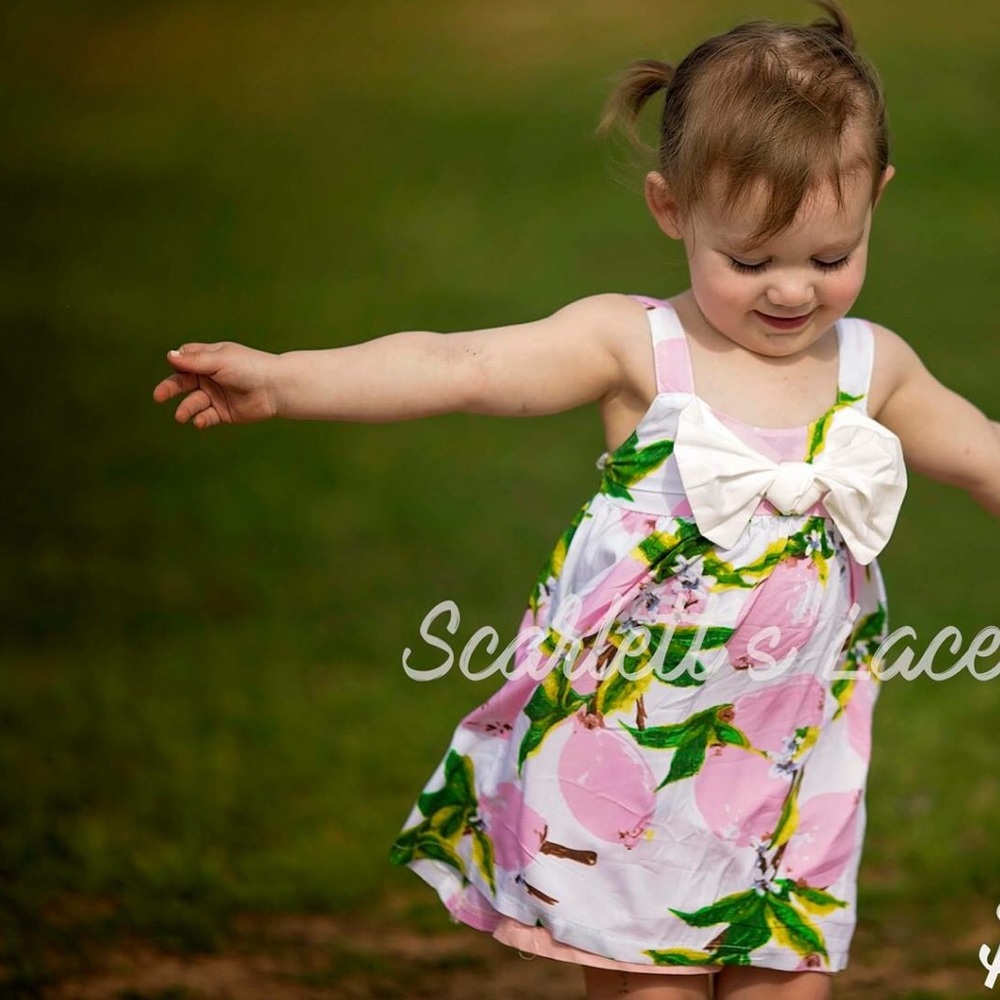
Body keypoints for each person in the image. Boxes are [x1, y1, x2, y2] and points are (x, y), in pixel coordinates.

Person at [152, 2, 999, 997]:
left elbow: (985, 456)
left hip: (791, 763)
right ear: (670, 207)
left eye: (828, 257)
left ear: (875, 201)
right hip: (631, 765)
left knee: (793, 984)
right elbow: (458, 363)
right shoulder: (634, 346)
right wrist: (287, 379)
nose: (790, 292)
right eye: (749, 260)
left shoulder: (872, 366)